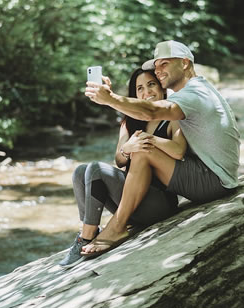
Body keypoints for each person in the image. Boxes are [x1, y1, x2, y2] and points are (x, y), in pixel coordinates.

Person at [82, 40, 240, 258]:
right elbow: (122, 155)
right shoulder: (195, 89)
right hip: (213, 174)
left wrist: (110, 99)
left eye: (164, 64)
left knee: (144, 148)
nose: (158, 70)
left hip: (214, 180)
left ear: (185, 63)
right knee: (133, 151)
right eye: (156, 66)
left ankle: (116, 228)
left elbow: (152, 112)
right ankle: (102, 229)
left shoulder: (194, 94)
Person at [59, 68, 187, 268]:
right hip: (131, 201)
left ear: (162, 88)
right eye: (140, 88)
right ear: (135, 95)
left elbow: (179, 151)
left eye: (151, 84)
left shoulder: (172, 115)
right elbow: (119, 160)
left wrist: (151, 140)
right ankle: (89, 231)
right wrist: (128, 149)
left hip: (159, 204)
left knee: (96, 168)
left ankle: (86, 238)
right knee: (80, 171)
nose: (147, 92)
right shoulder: (130, 121)